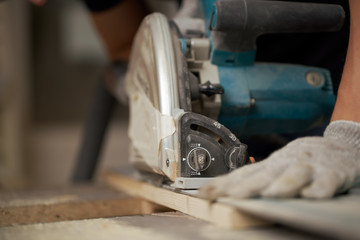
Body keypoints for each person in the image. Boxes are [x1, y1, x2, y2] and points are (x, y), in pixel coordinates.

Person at [31, 0, 360, 199]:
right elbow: (126, 49)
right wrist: (144, 90)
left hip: (346, 89)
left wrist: (349, 132)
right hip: (229, 132)